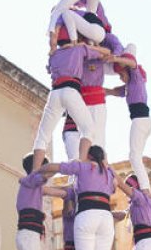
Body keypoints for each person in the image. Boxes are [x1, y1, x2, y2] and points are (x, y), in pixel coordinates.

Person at [45, 146, 117, 250]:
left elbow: (55, 168)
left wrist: (38, 171)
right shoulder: (107, 173)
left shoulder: (82, 168)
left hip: (87, 217)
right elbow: (113, 187)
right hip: (103, 217)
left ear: (88, 156)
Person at [30, 35, 112, 170]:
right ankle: (82, 163)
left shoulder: (54, 55)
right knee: (88, 129)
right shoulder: (78, 49)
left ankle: (34, 173)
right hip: (71, 91)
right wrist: (86, 46)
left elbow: (49, 68)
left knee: (43, 136)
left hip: (54, 93)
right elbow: (106, 53)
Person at [108, 44, 151, 190]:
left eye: (122, 75)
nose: (121, 78)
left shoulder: (137, 79)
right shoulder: (129, 86)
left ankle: (146, 189)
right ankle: (143, 185)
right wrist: (98, 91)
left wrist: (116, 59)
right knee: (136, 156)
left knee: (134, 156)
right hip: (143, 121)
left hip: (140, 121)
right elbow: (115, 92)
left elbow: (133, 63)